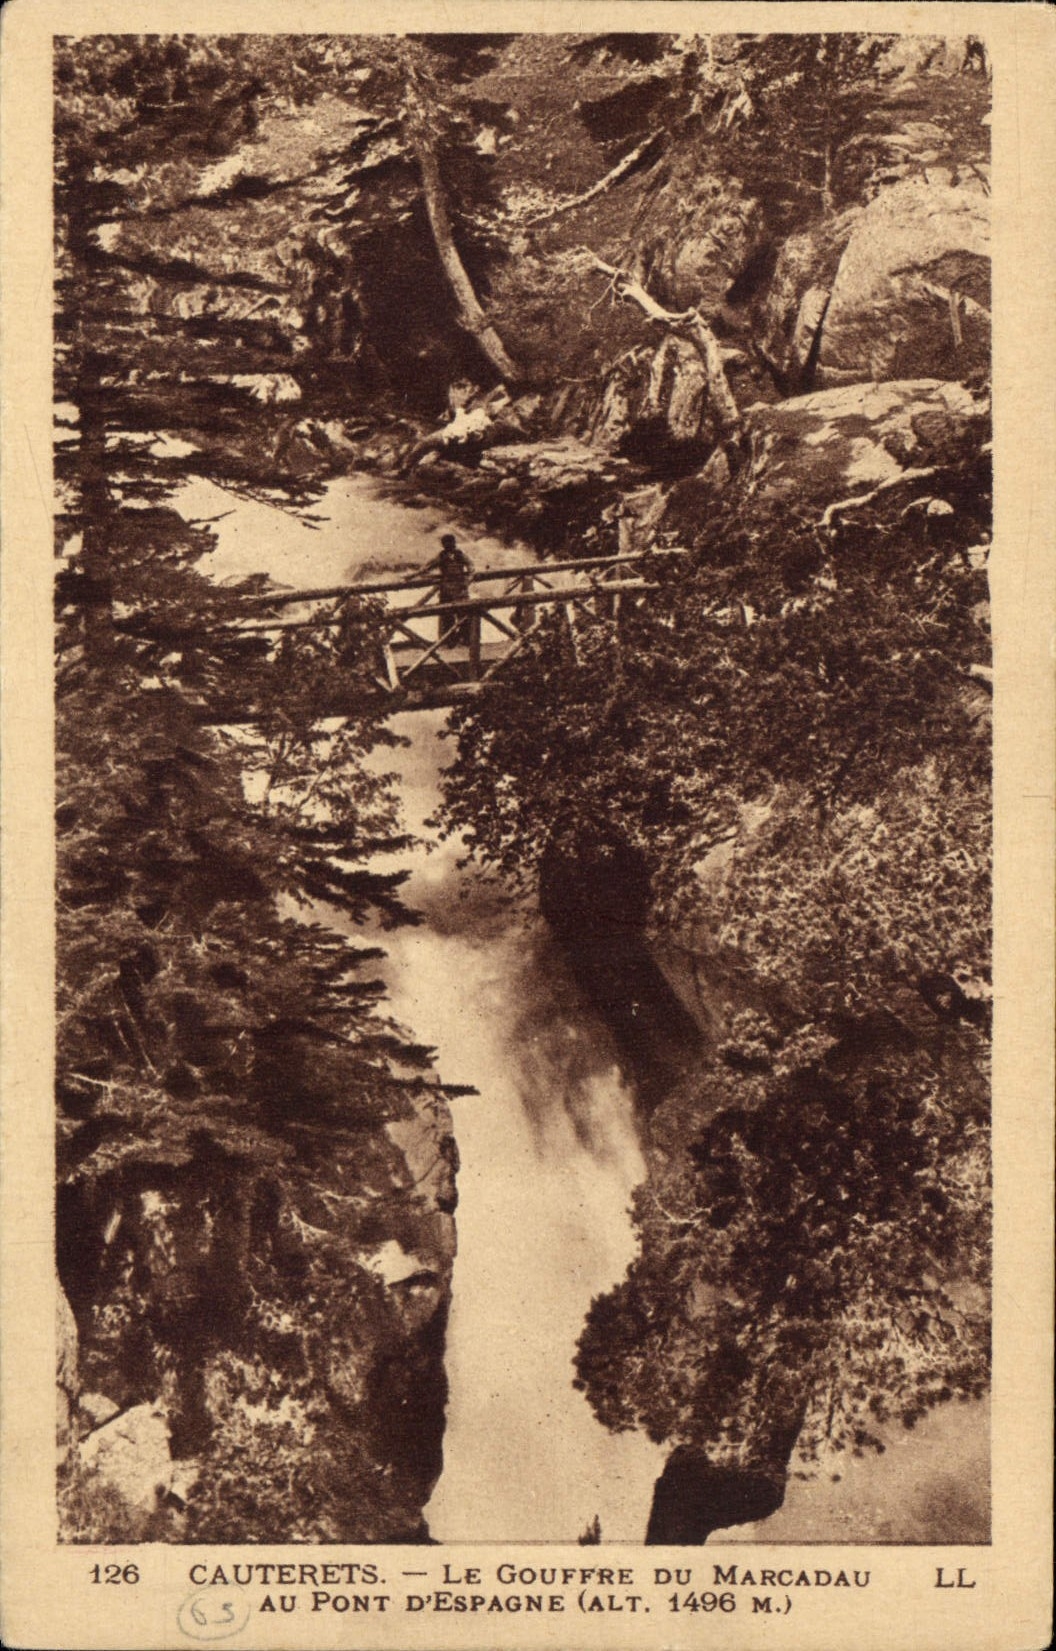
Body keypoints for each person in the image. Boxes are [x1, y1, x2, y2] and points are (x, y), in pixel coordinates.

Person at [426, 532, 474, 648]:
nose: (448, 545)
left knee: (463, 614)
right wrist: (416, 575)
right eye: (446, 543)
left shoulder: (460, 554)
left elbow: (471, 567)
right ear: (443, 545)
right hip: (447, 589)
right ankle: (450, 640)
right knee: (448, 616)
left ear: (454, 543)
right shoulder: (441, 556)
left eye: (450, 543)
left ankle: (464, 639)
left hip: (459, 588)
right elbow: (428, 566)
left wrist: (468, 580)